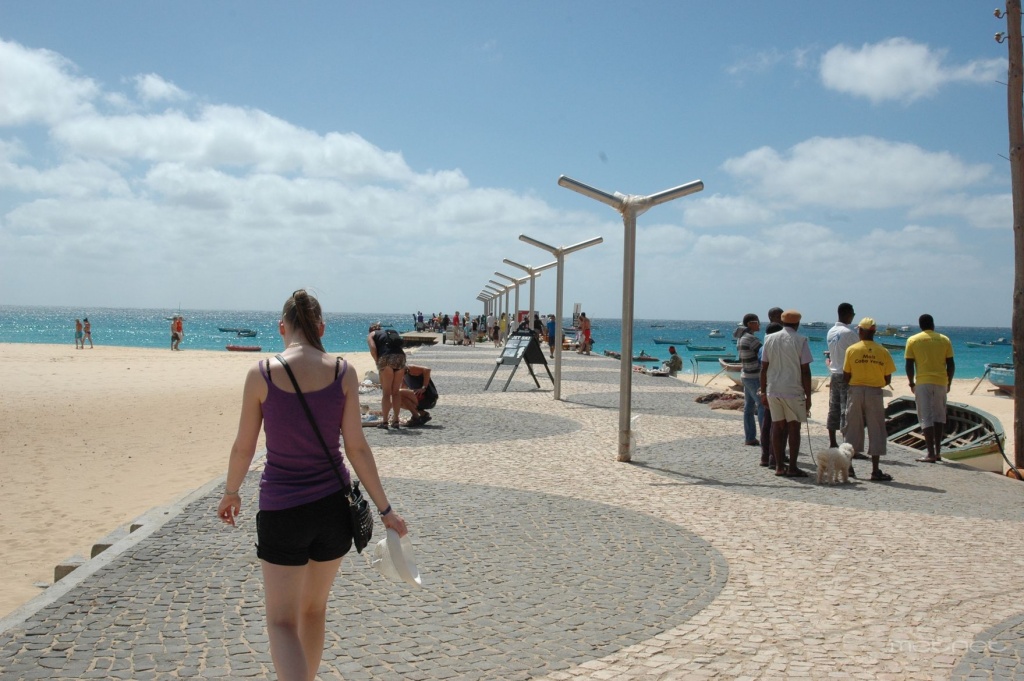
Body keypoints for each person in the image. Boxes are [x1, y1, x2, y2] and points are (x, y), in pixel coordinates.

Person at [217, 289, 407, 681]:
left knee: (281, 621)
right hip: (333, 510)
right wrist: (386, 510)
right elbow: (356, 447)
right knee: (313, 610)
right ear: (321, 328)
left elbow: (243, 447)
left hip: (282, 510)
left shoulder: (261, 373)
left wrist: (231, 492)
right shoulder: (343, 372)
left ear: (281, 328)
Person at [760, 310, 813, 477]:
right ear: (798, 324)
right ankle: (792, 467)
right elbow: (805, 370)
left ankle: (778, 466)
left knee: (777, 426)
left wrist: (763, 391)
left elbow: (764, 368)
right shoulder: (801, 340)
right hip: (793, 390)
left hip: (773, 389)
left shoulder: (769, 339)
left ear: (783, 322)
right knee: (794, 428)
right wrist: (809, 396)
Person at [843, 317, 896, 481]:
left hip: (856, 391)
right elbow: (887, 378)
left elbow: (846, 375)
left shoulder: (852, 350)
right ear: (874, 332)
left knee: (852, 428)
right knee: (876, 428)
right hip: (874, 392)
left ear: (860, 331)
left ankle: (849, 467)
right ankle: (875, 470)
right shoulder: (883, 351)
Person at [905, 314, 955, 463]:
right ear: (933, 324)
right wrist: (949, 382)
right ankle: (938, 452)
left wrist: (911, 383)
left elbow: (909, 364)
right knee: (939, 416)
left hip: (922, 382)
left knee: (925, 417)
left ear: (920, 326)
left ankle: (930, 453)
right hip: (941, 382)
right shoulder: (944, 339)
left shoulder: (913, 340)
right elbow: (951, 364)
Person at [826, 303, 858, 450]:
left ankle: (833, 441)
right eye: (852, 314)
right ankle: (847, 444)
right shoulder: (849, 333)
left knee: (834, 408)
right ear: (847, 314)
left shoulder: (831, 331)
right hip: (846, 374)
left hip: (834, 374)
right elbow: (858, 351)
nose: (853, 316)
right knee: (847, 411)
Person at [367, 321, 406, 429]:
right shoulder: (389, 332)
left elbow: (373, 348)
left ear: (371, 330)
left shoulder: (371, 335)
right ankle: (396, 420)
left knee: (386, 393)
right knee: (396, 392)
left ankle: (385, 421)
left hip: (386, 358)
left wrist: (377, 361)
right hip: (400, 357)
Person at [736, 313, 763, 448]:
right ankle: (766, 437)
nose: (759, 325)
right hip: (754, 376)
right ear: (750, 324)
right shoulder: (752, 339)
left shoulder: (741, 338)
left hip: (745, 375)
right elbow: (764, 355)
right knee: (762, 405)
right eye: (757, 322)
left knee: (749, 407)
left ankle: (750, 437)